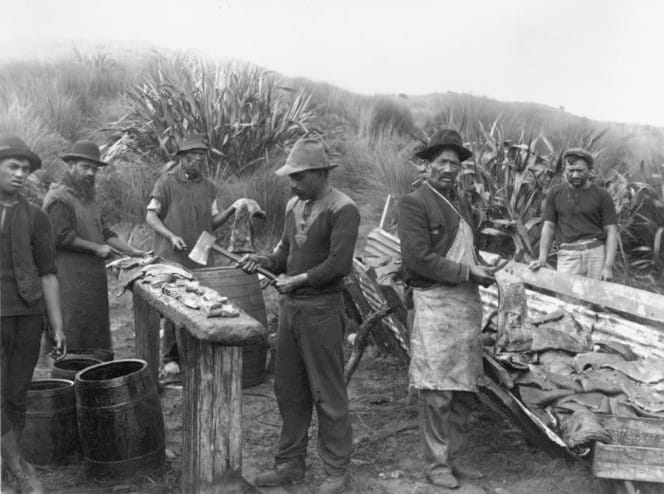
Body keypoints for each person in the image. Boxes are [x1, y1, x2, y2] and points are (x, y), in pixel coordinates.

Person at [240, 138, 360, 494]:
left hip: (322, 310)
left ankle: (337, 469)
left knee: (327, 391)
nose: (291, 184)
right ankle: (290, 462)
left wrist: (298, 280)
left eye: (299, 177)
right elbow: (284, 252)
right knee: (288, 389)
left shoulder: (344, 209)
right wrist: (264, 261)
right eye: (290, 177)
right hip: (291, 310)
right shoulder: (295, 204)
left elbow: (339, 264)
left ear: (321, 174)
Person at [397, 129, 494, 489]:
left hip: (466, 307)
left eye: (455, 163)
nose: (449, 169)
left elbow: (467, 249)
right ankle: (436, 463)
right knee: (436, 390)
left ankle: (452, 457)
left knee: (465, 390)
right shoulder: (415, 203)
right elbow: (417, 259)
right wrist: (469, 272)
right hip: (435, 305)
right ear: (428, 165)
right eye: (442, 162)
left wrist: (485, 268)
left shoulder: (463, 204)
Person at [0, 135, 66, 493]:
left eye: (25, 169)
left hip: (27, 316)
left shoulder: (37, 217)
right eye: (12, 166)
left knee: (16, 393)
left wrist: (56, 326)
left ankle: (12, 462)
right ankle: (15, 465)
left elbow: (48, 274)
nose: (20, 174)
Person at [145, 135, 236, 376]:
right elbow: (151, 216)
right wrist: (171, 236)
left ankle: (195, 355)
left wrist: (232, 210)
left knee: (200, 303)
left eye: (202, 155)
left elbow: (212, 221)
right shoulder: (166, 183)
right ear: (182, 158)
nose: (198, 159)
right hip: (173, 255)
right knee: (174, 305)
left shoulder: (208, 187)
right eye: (193, 155)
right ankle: (170, 358)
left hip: (202, 253)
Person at [44, 140, 144, 354]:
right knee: (73, 330)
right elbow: (60, 237)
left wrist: (133, 251)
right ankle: (70, 377)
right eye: (85, 167)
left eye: (94, 169)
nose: (90, 173)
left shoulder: (89, 199)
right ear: (70, 165)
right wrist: (96, 249)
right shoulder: (59, 199)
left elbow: (106, 233)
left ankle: (95, 377)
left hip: (92, 282)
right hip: (69, 282)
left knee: (95, 331)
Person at [529, 148, 618, 280]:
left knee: (594, 297)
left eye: (580, 170)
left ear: (590, 170)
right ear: (565, 170)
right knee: (565, 297)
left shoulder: (602, 195)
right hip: (567, 255)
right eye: (571, 170)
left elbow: (611, 231)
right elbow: (549, 226)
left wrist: (607, 267)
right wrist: (542, 259)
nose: (575, 175)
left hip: (596, 255)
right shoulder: (555, 193)